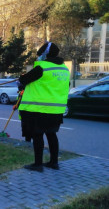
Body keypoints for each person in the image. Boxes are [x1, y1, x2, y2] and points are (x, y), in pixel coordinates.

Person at [18, 42, 70, 172]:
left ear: (45, 54)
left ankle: (38, 164)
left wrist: (21, 77)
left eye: (40, 54)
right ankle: (54, 162)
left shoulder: (42, 67)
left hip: (40, 109)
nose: (38, 57)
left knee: (37, 135)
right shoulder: (64, 69)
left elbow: (24, 80)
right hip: (56, 110)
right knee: (52, 134)